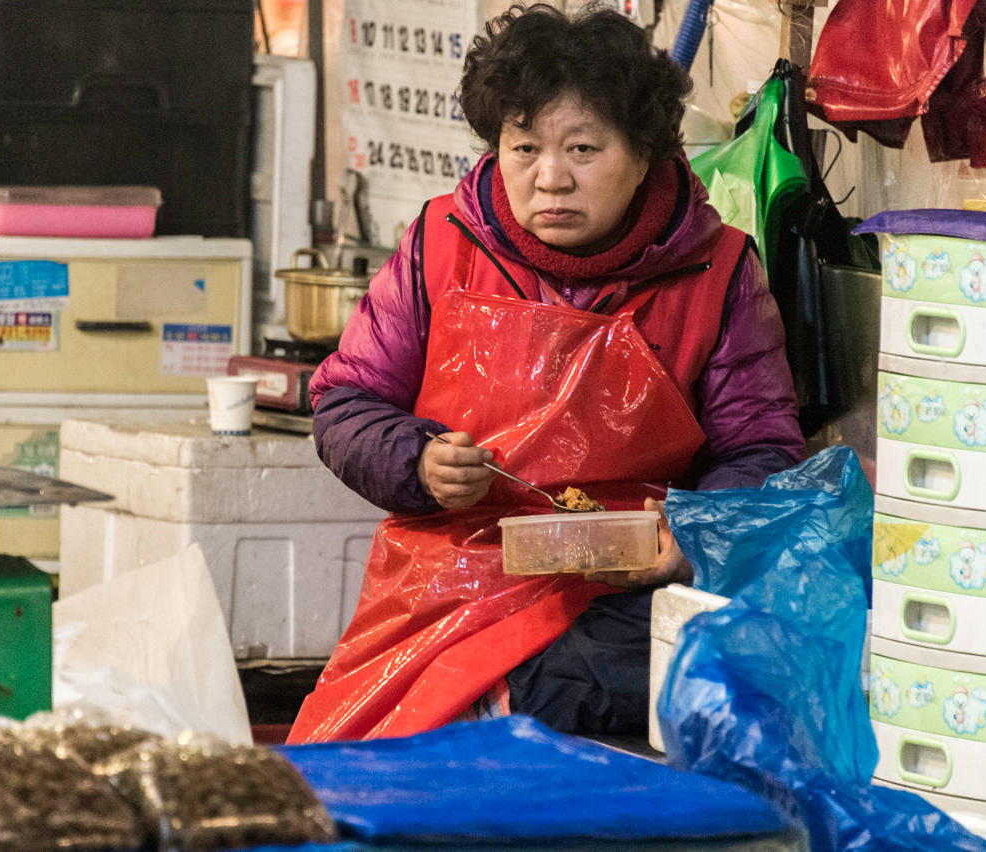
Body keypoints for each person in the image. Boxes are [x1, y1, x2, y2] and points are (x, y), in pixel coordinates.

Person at [288, 3, 803, 744]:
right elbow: (345, 401)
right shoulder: (441, 242)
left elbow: (761, 449)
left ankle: (504, 709)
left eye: (584, 150)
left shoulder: (719, 271)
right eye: (524, 148)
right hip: (455, 576)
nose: (550, 178)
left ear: (645, 152)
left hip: (631, 585)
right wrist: (419, 461)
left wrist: (691, 529)